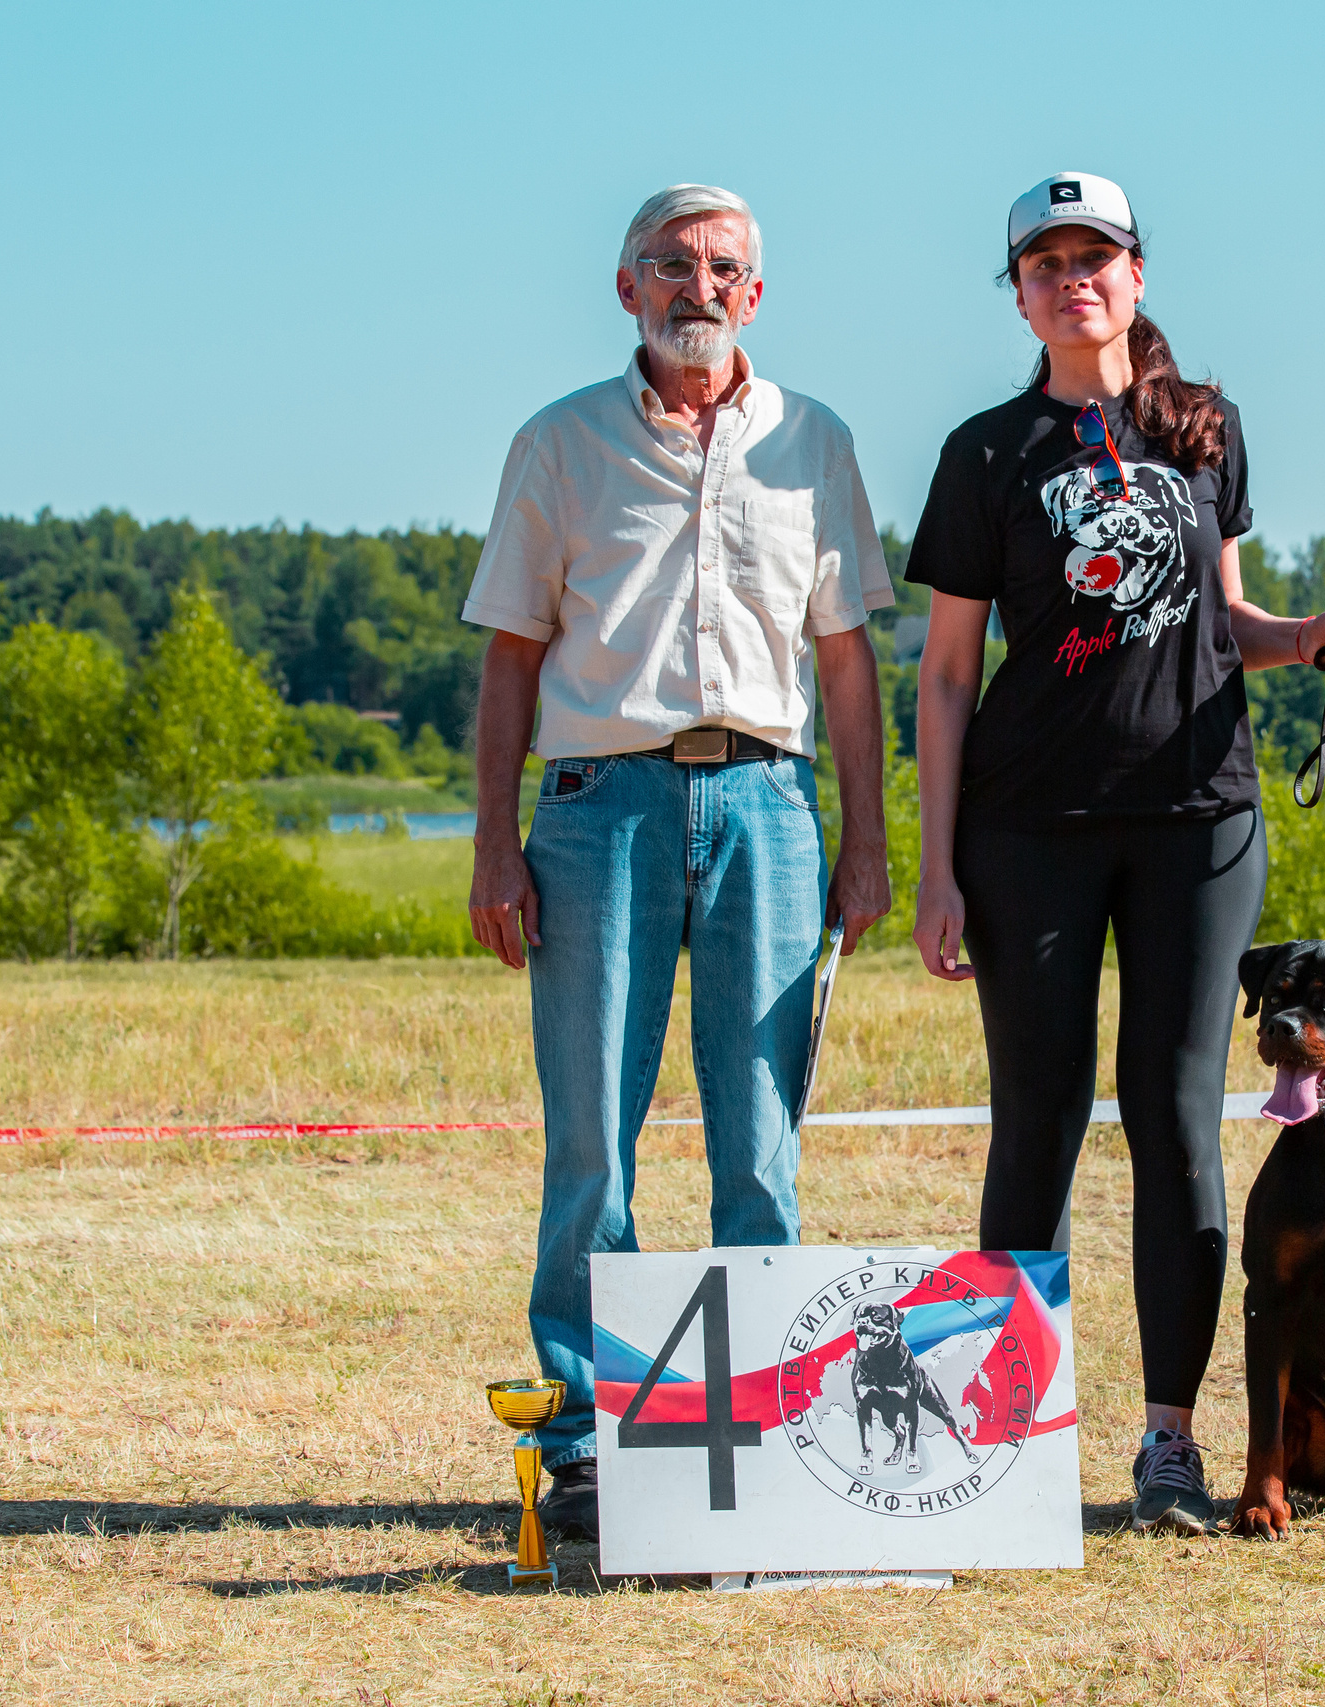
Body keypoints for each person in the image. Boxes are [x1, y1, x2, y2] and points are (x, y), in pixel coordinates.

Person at [906, 172, 1325, 1537]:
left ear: (1138, 273)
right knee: (1036, 1123)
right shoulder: (985, 454)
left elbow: (1226, 622)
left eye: (1095, 256)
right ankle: (1002, 1436)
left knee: (1177, 1124)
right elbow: (943, 677)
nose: (1073, 280)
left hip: (1197, 821)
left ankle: (1168, 1442)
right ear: (1019, 293)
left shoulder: (1203, 431)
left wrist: (1315, 637)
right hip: (1025, 832)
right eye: (1046, 263)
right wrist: (936, 867)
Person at [463, 183, 893, 1540]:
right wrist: (492, 844)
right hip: (600, 810)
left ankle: (755, 1423)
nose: (697, 286)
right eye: (671, 265)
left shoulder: (813, 443)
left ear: (755, 294)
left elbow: (846, 661)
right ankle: (587, 1438)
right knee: (592, 1133)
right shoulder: (559, 445)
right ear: (626, 288)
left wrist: (871, 838)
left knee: (759, 1136)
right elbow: (510, 659)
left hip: (770, 802)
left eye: (723, 268)